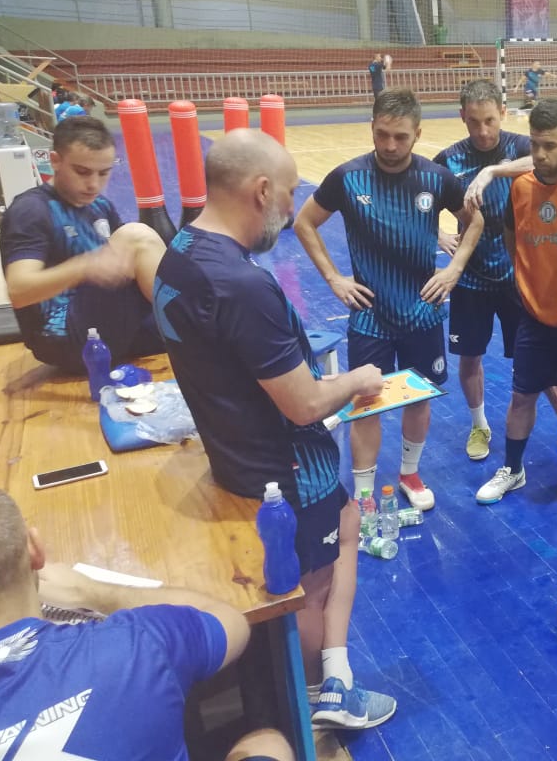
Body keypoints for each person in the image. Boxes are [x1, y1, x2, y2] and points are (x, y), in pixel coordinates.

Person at [154, 128, 396, 731]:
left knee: (347, 524)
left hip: (238, 453)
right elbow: (305, 404)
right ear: (261, 191)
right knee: (310, 588)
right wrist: (359, 378)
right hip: (284, 472)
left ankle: (329, 670)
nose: (291, 211)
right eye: (288, 195)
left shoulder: (179, 251)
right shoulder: (241, 284)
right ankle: (320, 697)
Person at [0, 486, 293, 761]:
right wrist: (90, 591)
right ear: (35, 549)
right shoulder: (132, 645)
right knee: (268, 743)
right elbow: (231, 621)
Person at [295, 88, 483, 511]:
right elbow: (305, 222)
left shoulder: (436, 179)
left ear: (418, 133)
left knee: (418, 395)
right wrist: (333, 278)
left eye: (401, 136)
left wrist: (453, 270)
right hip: (369, 317)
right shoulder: (347, 177)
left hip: (422, 312)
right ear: (372, 128)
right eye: (382, 135)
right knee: (367, 402)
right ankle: (363, 493)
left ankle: (410, 474)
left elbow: (475, 221)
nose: (390, 145)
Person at [433, 79, 557, 462]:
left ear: (502, 112)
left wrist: (493, 171)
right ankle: (480, 424)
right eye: (474, 122)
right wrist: (439, 235)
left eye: (490, 120)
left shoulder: (522, 146)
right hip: (471, 277)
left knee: (542, 357)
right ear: (462, 117)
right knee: (470, 357)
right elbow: (421, 199)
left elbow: (542, 161)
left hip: (520, 276)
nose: (483, 131)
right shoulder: (448, 159)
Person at [474, 99, 557, 507]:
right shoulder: (521, 187)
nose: (541, 155)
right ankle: (513, 468)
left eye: (551, 146)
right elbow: (513, 238)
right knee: (521, 395)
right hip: (533, 316)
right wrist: (525, 280)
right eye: (535, 145)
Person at [0, 116, 166, 372]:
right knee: (136, 236)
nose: (93, 184)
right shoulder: (31, 210)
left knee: (209, 305)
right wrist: (84, 267)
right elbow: (19, 291)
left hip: (108, 324)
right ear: (55, 161)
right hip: (63, 336)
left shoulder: (100, 205)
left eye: (104, 173)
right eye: (82, 172)